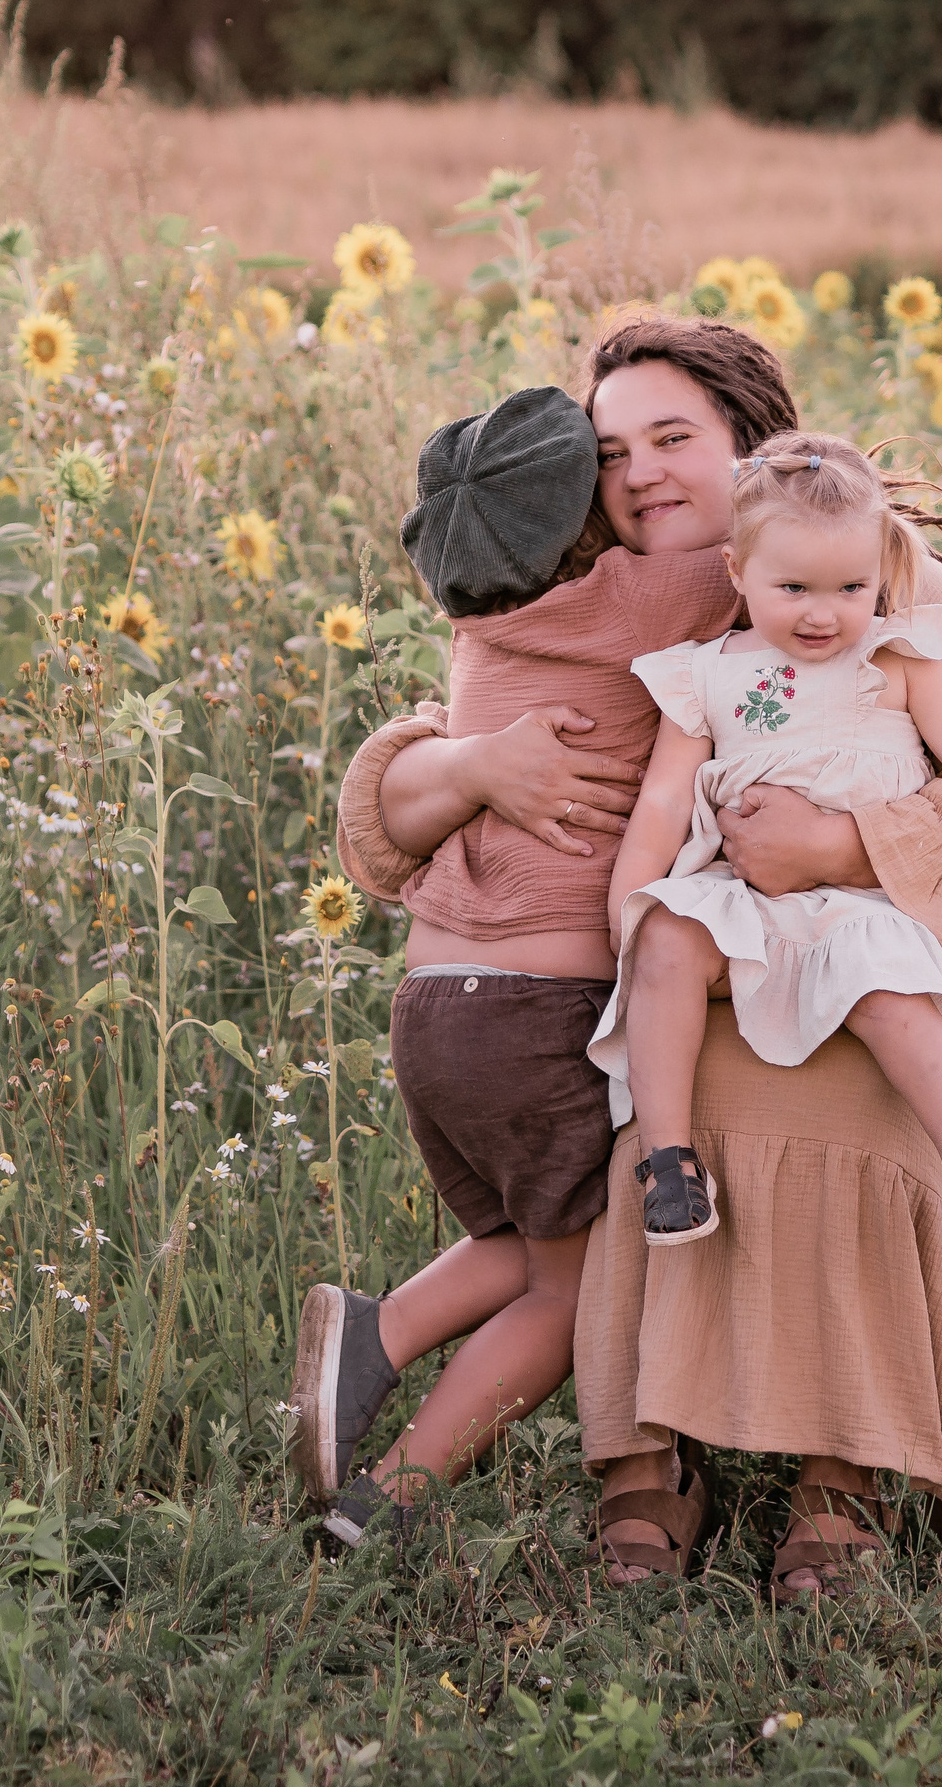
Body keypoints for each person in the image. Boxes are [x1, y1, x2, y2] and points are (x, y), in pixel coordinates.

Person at [334, 315, 942, 1599]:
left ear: (752, 443)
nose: (644, 475)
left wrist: (842, 843)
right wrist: (461, 765)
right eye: (614, 451)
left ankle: (849, 1470)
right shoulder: (621, 598)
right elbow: (401, 801)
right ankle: (648, 1458)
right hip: (706, 960)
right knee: (650, 1105)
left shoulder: (874, 580)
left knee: (855, 1103)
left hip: (883, 953)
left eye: (676, 438)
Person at [288, 384, 738, 1545]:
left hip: (434, 1009)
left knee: (520, 1242)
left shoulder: (485, 628)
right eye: (610, 464)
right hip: (541, 1013)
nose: (638, 478)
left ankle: (374, 1333)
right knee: (571, 1283)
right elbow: (787, 539)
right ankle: (394, 1497)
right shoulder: (658, 595)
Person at [592, 432, 942, 1254]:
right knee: (665, 937)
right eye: (794, 587)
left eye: (851, 586)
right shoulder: (703, 674)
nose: (823, 611)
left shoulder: (899, 657)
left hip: (866, 903)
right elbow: (664, 802)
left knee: (894, 989)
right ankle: (670, 1162)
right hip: (746, 899)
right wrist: (623, 905)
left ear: (881, 573)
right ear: (737, 571)